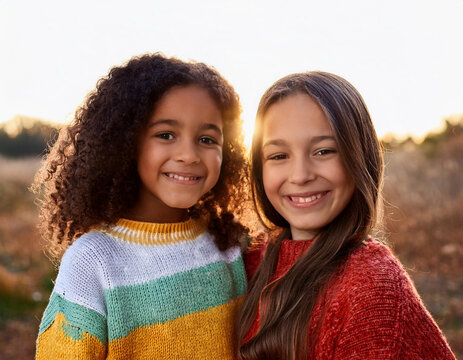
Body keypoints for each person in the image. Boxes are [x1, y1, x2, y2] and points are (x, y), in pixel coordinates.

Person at [33, 53, 249, 359]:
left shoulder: (227, 243)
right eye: (165, 135)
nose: (189, 154)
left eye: (207, 139)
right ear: (126, 142)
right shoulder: (93, 261)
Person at [236, 71, 456, 359]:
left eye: (324, 151)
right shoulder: (245, 264)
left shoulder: (371, 285)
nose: (300, 175)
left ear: (358, 157)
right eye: (279, 156)